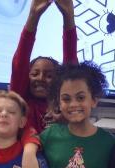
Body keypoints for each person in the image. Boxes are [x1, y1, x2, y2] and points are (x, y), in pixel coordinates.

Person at [11, 0, 78, 133]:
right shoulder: (20, 100)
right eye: (34, 73)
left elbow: (71, 68)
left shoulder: (63, 103)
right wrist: (33, 15)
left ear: (58, 81)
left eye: (49, 76)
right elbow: (20, 61)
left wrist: (68, 16)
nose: (40, 78)